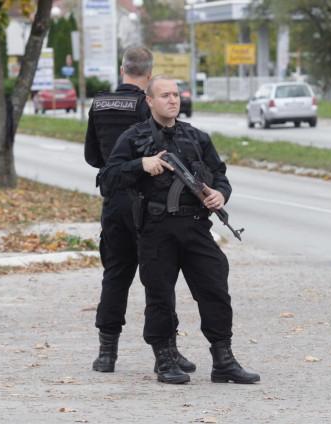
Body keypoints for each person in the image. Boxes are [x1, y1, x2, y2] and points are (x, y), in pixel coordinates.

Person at [100, 76, 260, 385]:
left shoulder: (197, 138)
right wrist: (141, 165)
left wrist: (220, 194)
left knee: (215, 289)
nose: (172, 100)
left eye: (175, 95)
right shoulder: (133, 139)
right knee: (159, 296)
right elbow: (107, 179)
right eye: (164, 95)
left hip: (196, 226)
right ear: (149, 101)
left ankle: (223, 359)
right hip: (156, 229)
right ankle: (165, 358)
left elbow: (220, 175)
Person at [84, 46, 195, 374]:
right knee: (159, 277)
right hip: (150, 205)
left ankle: (107, 353)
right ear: (150, 75)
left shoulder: (100, 103)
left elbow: (92, 156)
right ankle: (169, 351)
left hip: (115, 201)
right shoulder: (148, 105)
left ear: (122, 69)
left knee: (116, 274)